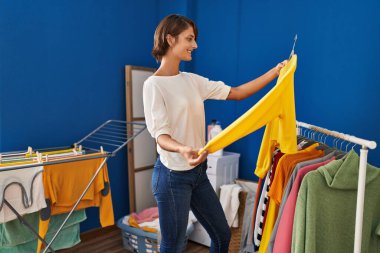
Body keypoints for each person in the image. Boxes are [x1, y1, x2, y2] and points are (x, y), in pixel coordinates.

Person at [143, 14, 288, 253]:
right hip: (172, 178)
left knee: (221, 235)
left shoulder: (191, 81)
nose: (195, 45)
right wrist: (182, 148)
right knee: (174, 245)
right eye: (189, 38)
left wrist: (275, 73)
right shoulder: (153, 86)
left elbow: (237, 92)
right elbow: (160, 135)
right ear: (170, 39)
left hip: (197, 173)